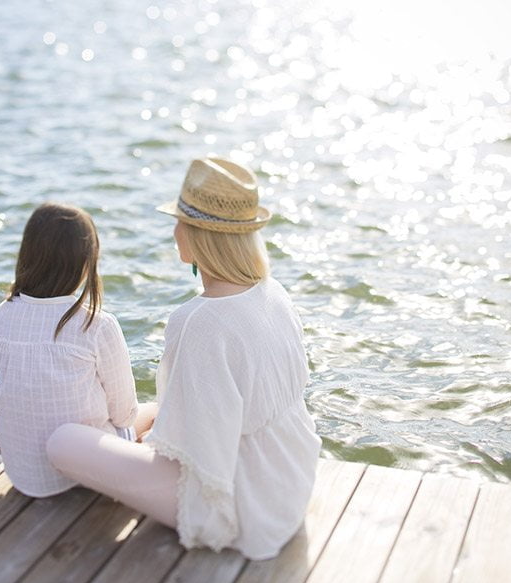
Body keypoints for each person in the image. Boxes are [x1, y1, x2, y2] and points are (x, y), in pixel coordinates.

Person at [46, 157, 322, 560]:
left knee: (63, 441)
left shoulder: (198, 321)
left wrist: (145, 442)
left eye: (179, 222)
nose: (174, 231)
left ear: (197, 235)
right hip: (290, 483)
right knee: (150, 413)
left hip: (243, 505)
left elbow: (191, 452)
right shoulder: (273, 292)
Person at [0, 203, 156, 497]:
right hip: (81, 475)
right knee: (155, 411)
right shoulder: (96, 324)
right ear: (85, 261)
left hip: (24, 475)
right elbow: (124, 415)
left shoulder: (4, 313)